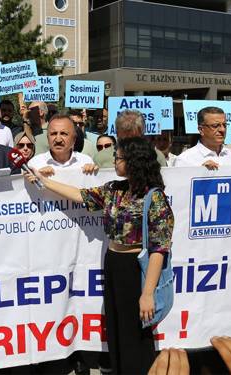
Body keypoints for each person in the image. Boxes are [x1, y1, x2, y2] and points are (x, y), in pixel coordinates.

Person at [24, 137, 173, 374]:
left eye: (119, 157)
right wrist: (44, 181)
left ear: (134, 162)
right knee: (115, 327)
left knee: (134, 331)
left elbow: (159, 248)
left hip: (135, 268)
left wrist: (147, 294)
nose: (114, 161)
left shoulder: (154, 197)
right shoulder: (115, 189)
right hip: (113, 263)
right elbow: (80, 195)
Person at [173, 107, 231, 187]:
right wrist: (199, 174)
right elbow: (178, 194)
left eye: (224, 125)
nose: (222, 130)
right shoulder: (184, 160)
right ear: (201, 130)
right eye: (215, 126)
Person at [28, 114, 97, 176]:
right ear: (47, 138)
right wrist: (39, 177)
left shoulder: (86, 162)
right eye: (53, 134)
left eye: (64, 133)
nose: (58, 140)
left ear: (74, 139)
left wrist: (93, 174)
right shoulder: (35, 164)